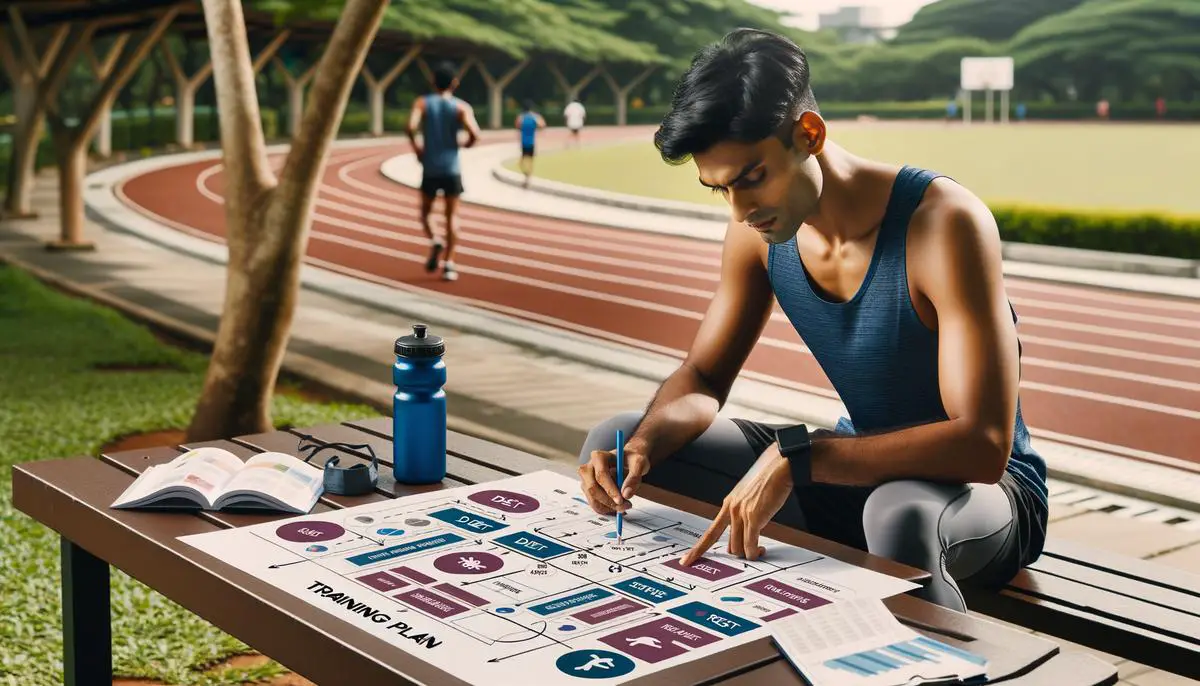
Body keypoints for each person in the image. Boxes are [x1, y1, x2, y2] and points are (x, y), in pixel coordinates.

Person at [576, 28, 1048, 612]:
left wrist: (802, 455)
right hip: (852, 468)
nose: (741, 210)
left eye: (751, 178)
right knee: (617, 443)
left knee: (897, 514)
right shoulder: (756, 230)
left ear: (809, 134)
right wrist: (645, 443)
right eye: (718, 189)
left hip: (984, 496)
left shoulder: (945, 225)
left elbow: (983, 445)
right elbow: (702, 378)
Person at [405, 60, 481, 282]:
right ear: (455, 83)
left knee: (426, 213)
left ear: (432, 82)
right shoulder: (461, 107)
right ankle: (449, 263)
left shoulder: (422, 104)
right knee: (452, 217)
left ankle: (435, 239)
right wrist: (465, 145)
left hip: (430, 168)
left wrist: (417, 149)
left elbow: (410, 126)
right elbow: (475, 133)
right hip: (452, 168)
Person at [515, 100, 546, 187]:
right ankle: (528, 177)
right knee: (531, 161)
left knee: (521, 161)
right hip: (531, 142)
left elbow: (517, 125)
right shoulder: (535, 117)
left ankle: (526, 175)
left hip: (523, 142)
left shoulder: (521, 117)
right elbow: (542, 125)